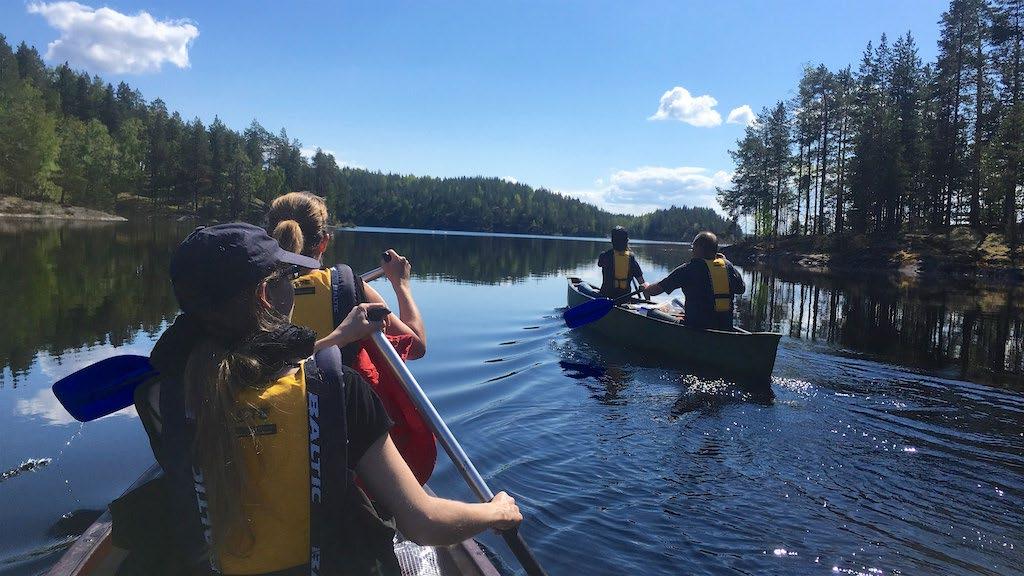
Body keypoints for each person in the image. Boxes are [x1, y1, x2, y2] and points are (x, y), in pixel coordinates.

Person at [148, 223, 521, 576]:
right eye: (289, 279)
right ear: (266, 295)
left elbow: (241, 375)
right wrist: (498, 513)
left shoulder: (158, 397)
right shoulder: (339, 389)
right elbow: (423, 524)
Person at [267, 191, 435, 484]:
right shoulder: (346, 289)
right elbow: (416, 346)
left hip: (277, 434)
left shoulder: (256, 293)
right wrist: (401, 284)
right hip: (339, 434)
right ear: (324, 242)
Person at [644, 231, 745, 330]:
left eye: (693, 247)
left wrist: (646, 288)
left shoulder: (688, 269)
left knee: (650, 313)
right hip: (725, 327)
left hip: (696, 327)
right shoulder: (727, 266)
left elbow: (656, 290)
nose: (692, 250)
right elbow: (741, 289)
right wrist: (727, 262)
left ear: (699, 249)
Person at [597, 226, 646, 298]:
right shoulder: (631, 259)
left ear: (612, 241)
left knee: (582, 285)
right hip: (624, 298)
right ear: (627, 241)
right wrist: (647, 301)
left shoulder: (604, 256)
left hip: (605, 296)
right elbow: (642, 283)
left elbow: (599, 264)